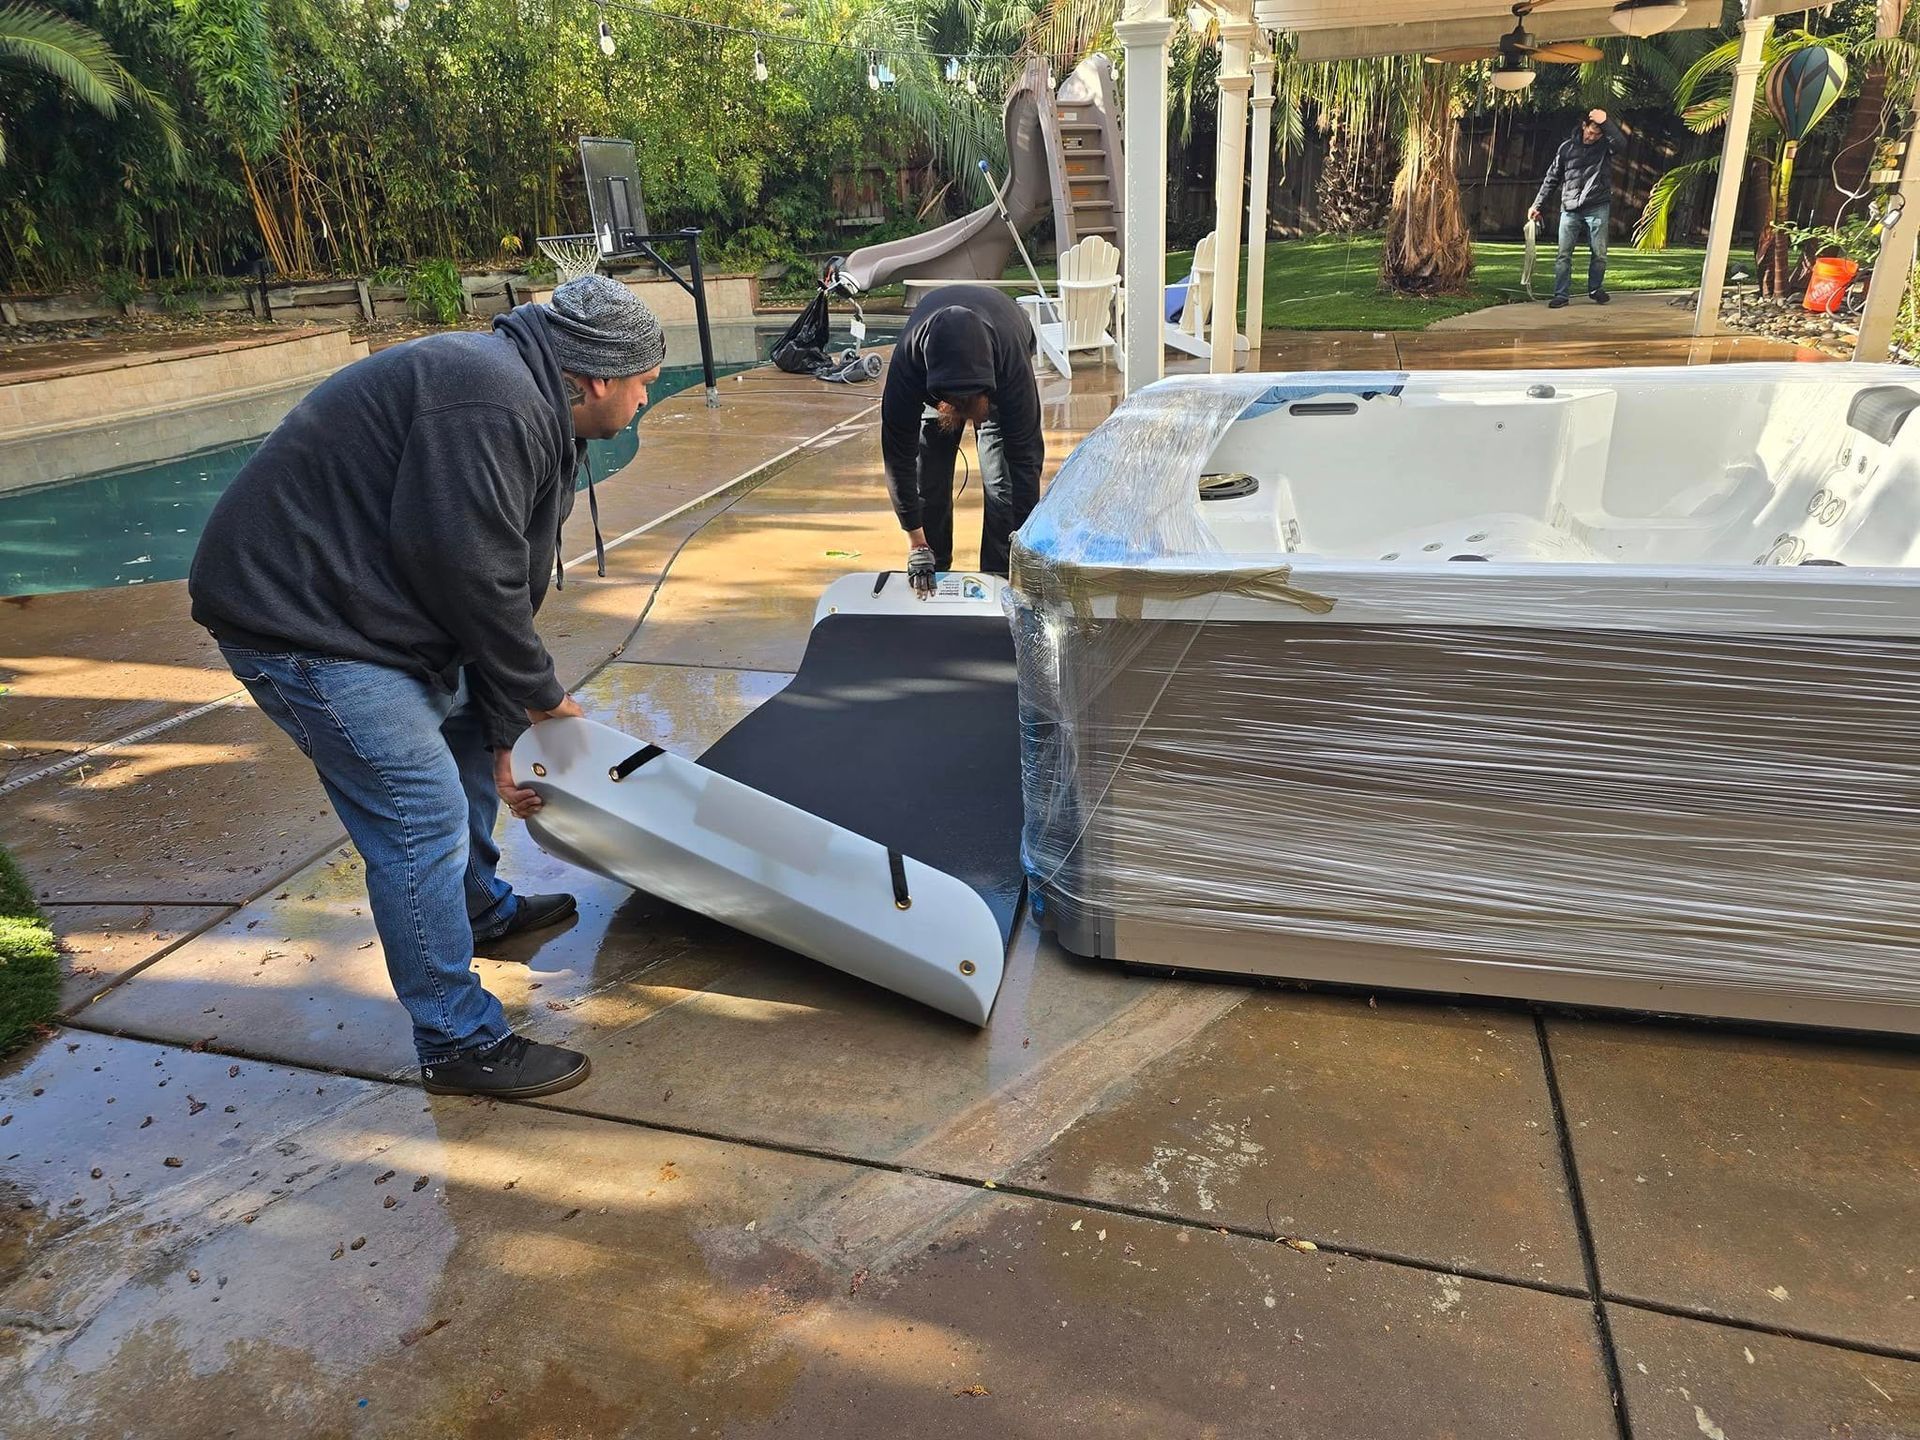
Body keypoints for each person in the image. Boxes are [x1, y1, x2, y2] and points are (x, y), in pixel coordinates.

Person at [188, 274, 666, 1100]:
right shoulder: (490, 400)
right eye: (644, 381)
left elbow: (498, 592)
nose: (648, 397)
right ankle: (457, 1039)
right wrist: (547, 702)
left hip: (374, 611)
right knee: (420, 814)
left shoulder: (533, 409)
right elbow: (469, 574)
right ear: (594, 378)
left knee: (467, 748)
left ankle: (477, 908)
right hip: (299, 621)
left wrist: (509, 728)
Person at [879, 283, 1043, 593]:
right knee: (928, 477)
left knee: (1002, 484)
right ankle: (933, 565)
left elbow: (1026, 458)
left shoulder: (1010, 362)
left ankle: (1000, 576)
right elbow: (898, 459)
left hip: (998, 365)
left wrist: (1024, 548)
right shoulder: (909, 362)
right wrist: (916, 542)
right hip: (936, 385)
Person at [1529, 108, 1629, 310]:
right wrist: (1537, 205)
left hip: (1597, 205)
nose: (1592, 137)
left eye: (1598, 134)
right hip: (1570, 207)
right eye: (1590, 132)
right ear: (1584, 126)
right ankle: (1560, 295)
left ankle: (1595, 289)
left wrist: (1606, 121)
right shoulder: (1566, 148)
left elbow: (1622, 143)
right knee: (1563, 254)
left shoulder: (1604, 148)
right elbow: (1552, 178)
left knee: (1599, 253)